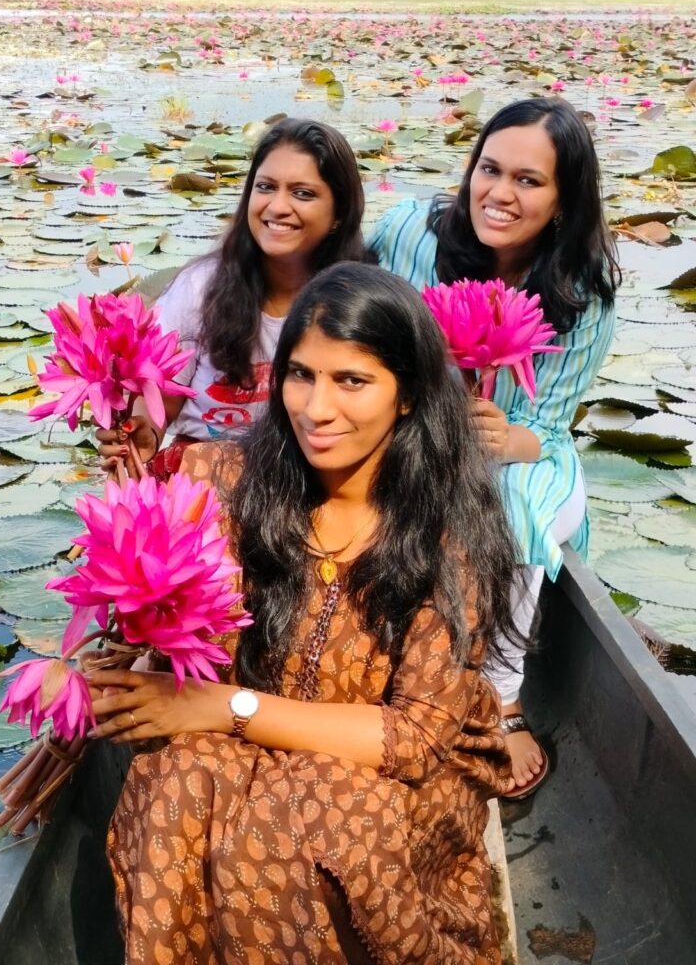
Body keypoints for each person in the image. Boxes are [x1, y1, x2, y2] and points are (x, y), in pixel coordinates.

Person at [89, 263, 522, 964]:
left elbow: (413, 740)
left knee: (314, 819)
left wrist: (222, 707)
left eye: (351, 381)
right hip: (242, 741)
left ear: (407, 394)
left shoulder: (449, 530)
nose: (316, 409)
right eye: (300, 375)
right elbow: (179, 623)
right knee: (168, 782)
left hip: (385, 781)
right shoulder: (221, 481)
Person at [370, 96, 620, 799]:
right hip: (414, 442)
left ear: (564, 200)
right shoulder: (412, 235)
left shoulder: (582, 293)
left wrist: (508, 436)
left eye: (528, 181)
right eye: (489, 169)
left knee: (506, 502)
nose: (500, 194)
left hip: (521, 458)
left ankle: (502, 696)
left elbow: (549, 422)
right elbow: (343, 292)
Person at [97, 117, 366, 478]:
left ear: (339, 214)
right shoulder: (199, 289)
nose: (277, 207)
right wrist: (142, 434)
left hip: (310, 479)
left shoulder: (361, 302)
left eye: (303, 193)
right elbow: (163, 398)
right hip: (202, 481)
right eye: (266, 187)